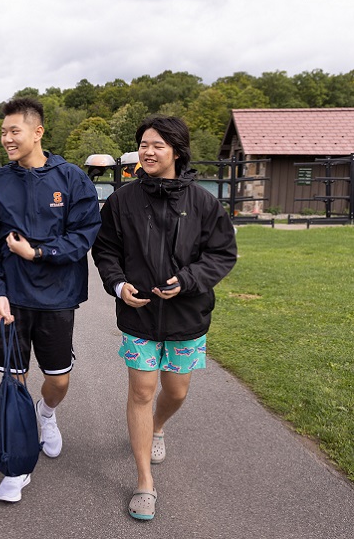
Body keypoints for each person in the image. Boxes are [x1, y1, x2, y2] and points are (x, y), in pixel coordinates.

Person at [91, 116, 237, 520]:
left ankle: (157, 426)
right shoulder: (122, 200)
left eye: (157, 145)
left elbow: (222, 253)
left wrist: (188, 280)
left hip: (187, 315)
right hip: (138, 317)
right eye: (143, 144)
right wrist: (119, 285)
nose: (148, 151)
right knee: (141, 391)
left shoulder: (204, 202)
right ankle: (144, 482)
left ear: (176, 150)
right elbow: (105, 251)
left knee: (176, 392)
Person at [0, 97, 102, 503]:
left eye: (15, 131)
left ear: (38, 131)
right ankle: (17, 466)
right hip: (11, 300)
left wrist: (39, 253)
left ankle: (47, 416)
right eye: (4, 132)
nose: (7, 138)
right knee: (15, 379)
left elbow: (84, 234)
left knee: (58, 379)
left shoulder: (72, 178)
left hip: (58, 296)